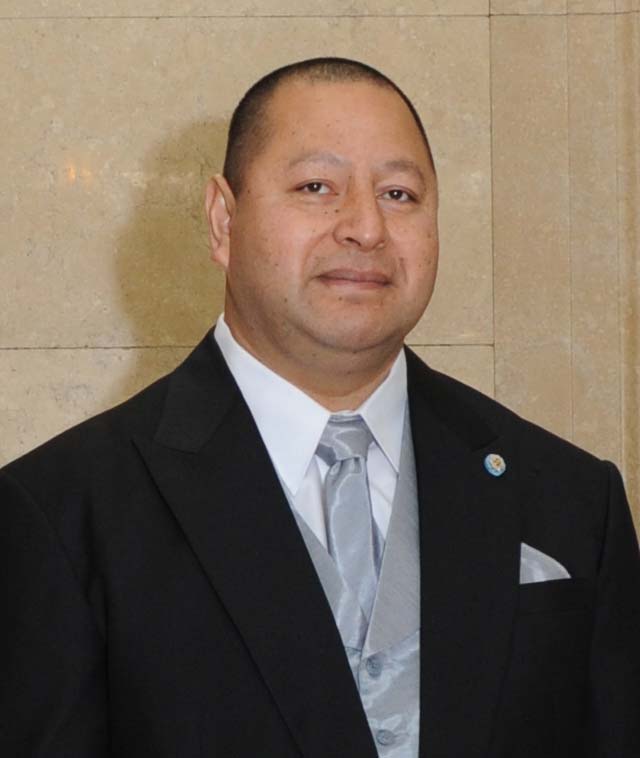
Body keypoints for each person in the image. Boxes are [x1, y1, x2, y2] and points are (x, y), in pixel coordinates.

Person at [1, 57, 639, 758]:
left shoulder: (572, 500)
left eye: (399, 194)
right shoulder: (61, 514)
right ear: (223, 220)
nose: (366, 227)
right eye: (316, 187)